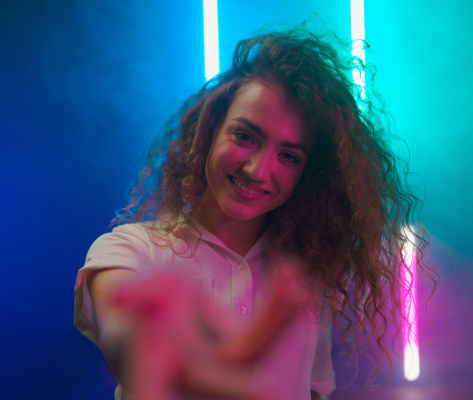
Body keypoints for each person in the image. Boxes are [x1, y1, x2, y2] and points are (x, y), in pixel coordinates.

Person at [74, 26, 435, 400]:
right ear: (209, 129)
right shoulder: (129, 251)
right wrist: (260, 335)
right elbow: (132, 349)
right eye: (245, 136)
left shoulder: (307, 276)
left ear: (307, 174)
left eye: (289, 156)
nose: (258, 171)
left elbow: (313, 391)